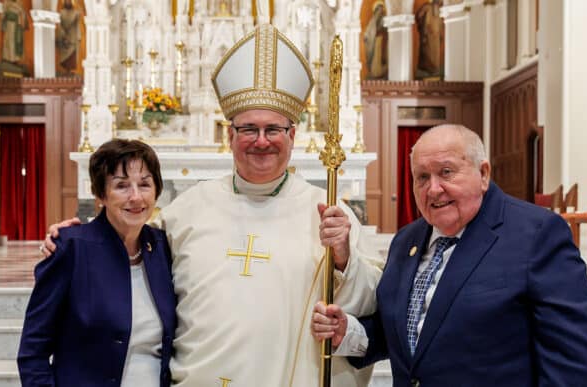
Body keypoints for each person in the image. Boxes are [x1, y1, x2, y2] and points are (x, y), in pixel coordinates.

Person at [42, 24, 383, 386]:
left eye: (274, 130)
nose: (261, 141)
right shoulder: (188, 210)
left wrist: (344, 256)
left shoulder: (328, 212)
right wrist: (76, 241)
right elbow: (131, 257)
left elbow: (372, 302)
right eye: (249, 129)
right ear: (230, 135)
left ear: (293, 135)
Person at [311, 124, 587, 386]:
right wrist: (348, 331)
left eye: (446, 172)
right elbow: (410, 332)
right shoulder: (407, 240)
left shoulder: (536, 235)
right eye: (421, 177)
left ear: (484, 173)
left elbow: (573, 362)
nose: (434, 189)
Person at [19, 139, 177, 386]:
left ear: (156, 190)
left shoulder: (162, 248)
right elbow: (32, 351)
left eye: (145, 184)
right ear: (101, 194)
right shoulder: (71, 249)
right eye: (122, 186)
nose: (136, 197)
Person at [56, 0, 82, 75]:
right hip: (63, 37)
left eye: (69, 1)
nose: (68, 2)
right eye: (66, 1)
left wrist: (78, 37)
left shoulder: (75, 12)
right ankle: (65, 71)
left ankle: (70, 71)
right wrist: (62, 34)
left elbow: (78, 22)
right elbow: (59, 24)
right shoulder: (61, 13)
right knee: (64, 57)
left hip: (73, 37)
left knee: (72, 56)